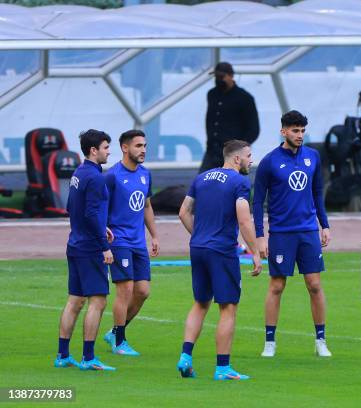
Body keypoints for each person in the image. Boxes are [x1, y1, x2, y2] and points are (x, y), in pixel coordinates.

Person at [176, 140, 262, 380]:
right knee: (228, 307)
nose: (251, 160)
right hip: (222, 250)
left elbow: (183, 212)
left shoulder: (202, 178)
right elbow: (244, 220)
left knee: (200, 302)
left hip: (198, 247)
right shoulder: (240, 182)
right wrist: (255, 252)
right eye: (249, 156)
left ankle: (185, 357)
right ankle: (223, 368)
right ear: (237, 159)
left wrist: (200, 235)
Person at [253, 110, 332, 358]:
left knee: (315, 285)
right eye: (295, 130)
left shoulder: (313, 157)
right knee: (277, 285)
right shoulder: (269, 161)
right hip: (281, 233)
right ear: (283, 131)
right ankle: (269, 342)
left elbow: (317, 192)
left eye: (302, 131)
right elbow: (257, 202)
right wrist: (260, 236)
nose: (299, 135)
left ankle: (320, 340)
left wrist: (324, 224)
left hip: (308, 231)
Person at [54, 129, 115, 371]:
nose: (108, 151)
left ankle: (62, 355)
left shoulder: (79, 173)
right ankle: (88, 358)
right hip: (90, 248)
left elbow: (72, 207)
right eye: (106, 147)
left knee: (75, 301)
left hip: (75, 244)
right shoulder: (97, 178)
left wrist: (103, 225)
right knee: (98, 301)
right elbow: (90, 213)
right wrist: (104, 245)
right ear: (94, 150)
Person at [102, 130, 159, 356]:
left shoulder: (145, 174)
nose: (143, 150)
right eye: (138, 146)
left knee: (143, 291)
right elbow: (101, 207)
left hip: (138, 241)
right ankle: (119, 340)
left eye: (144, 145)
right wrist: (102, 237)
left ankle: (115, 332)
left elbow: (145, 205)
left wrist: (154, 235)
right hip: (118, 240)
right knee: (125, 289)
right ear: (125, 148)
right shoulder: (112, 176)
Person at [200, 62, 260, 172]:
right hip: (212, 151)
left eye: (221, 77)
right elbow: (210, 120)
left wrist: (239, 149)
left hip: (233, 154)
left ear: (231, 76)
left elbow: (253, 129)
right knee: (202, 182)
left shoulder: (245, 98)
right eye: (216, 77)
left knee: (233, 185)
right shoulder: (212, 94)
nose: (218, 80)